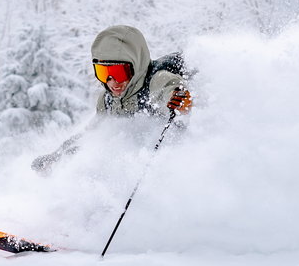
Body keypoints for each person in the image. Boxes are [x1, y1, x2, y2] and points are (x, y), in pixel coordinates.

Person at [31, 25, 192, 175]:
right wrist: (57, 156)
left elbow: (171, 88)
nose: (112, 82)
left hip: (171, 164)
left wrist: (178, 99)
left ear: (135, 66)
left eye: (119, 72)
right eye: (103, 73)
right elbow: (92, 134)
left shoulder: (156, 80)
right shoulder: (108, 100)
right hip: (127, 166)